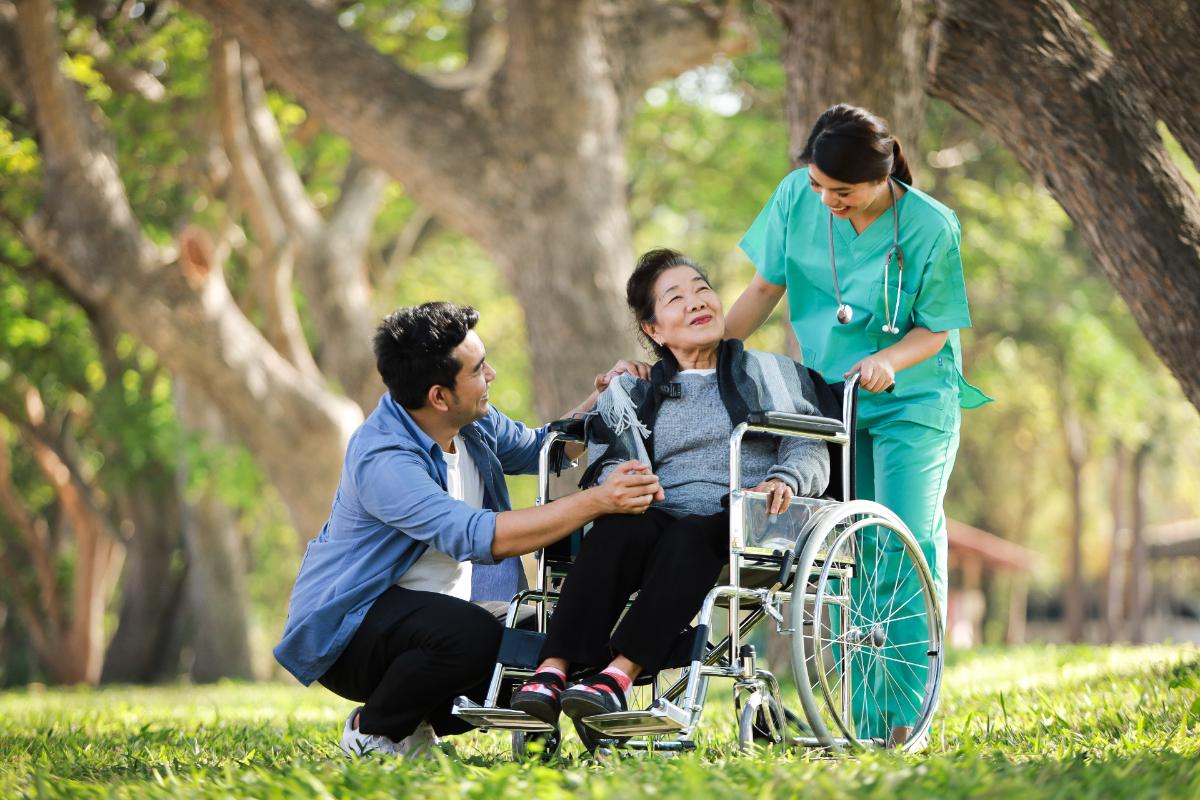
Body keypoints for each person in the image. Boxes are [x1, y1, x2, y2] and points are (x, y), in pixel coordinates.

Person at [272, 301, 663, 758]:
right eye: (478, 369)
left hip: (437, 618)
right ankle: (374, 728)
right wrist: (599, 501)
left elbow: (544, 449)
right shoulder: (385, 459)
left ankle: (421, 718)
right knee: (471, 638)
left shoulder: (470, 422)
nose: (492, 374)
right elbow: (480, 537)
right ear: (439, 395)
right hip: (352, 631)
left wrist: (605, 398)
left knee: (567, 632)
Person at [725, 104, 991, 742]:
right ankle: (864, 718)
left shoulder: (930, 225)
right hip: (830, 403)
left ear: (880, 178)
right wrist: (703, 356)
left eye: (840, 192)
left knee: (906, 540)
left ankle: (908, 717)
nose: (826, 202)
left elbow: (937, 329)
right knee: (853, 551)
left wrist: (887, 360)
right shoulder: (798, 196)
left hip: (913, 401)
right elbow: (764, 290)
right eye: (818, 187)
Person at [509, 249, 830, 748]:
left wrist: (786, 476)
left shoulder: (768, 372)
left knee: (690, 535)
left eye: (702, 289)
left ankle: (616, 677)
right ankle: (550, 674)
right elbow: (609, 458)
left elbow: (810, 442)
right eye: (675, 298)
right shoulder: (638, 390)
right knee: (615, 528)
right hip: (660, 513)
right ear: (654, 330)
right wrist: (630, 478)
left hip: (745, 515)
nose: (697, 302)